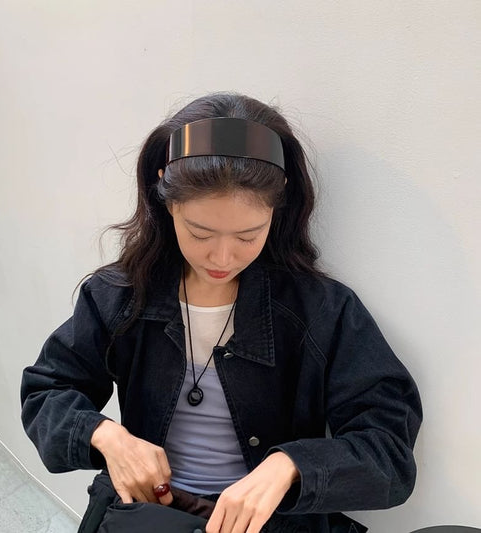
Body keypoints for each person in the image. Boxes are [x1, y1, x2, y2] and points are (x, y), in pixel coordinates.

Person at [21, 92, 422, 533]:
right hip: (149, 514)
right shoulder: (118, 297)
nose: (223, 258)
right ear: (166, 198)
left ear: (279, 206)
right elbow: (46, 391)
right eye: (200, 233)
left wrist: (290, 465)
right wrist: (105, 435)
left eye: (249, 236)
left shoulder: (322, 310)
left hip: (272, 522)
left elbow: (389, 451)